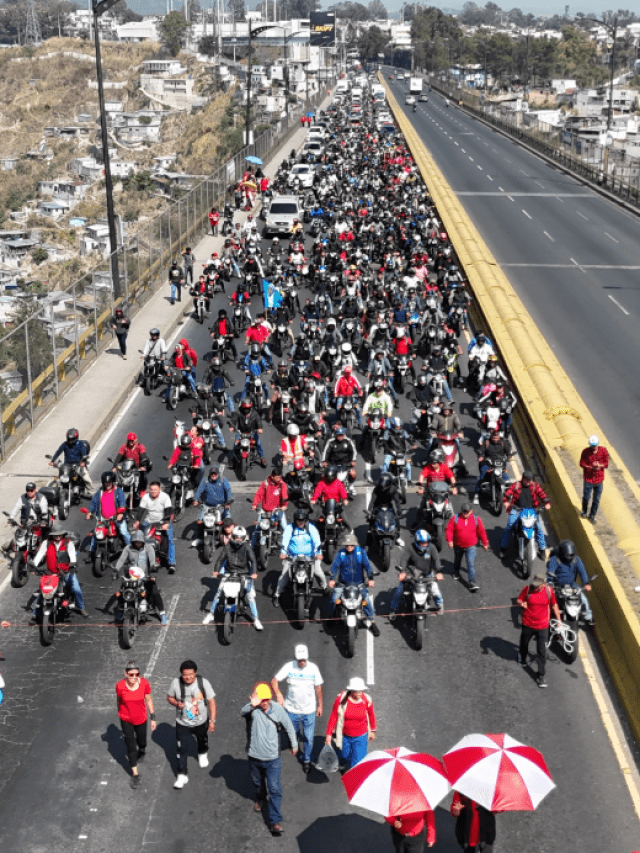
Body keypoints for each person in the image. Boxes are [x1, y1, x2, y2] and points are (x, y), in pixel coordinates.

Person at [241, 682, 298, 836]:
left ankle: (275, 821)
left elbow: (289, 726)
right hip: (254, 756)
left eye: (266, 700)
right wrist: (252, 706)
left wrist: (294, 744)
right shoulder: (253, 709)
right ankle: (260, 798)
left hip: (273, 758)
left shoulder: (277, 709)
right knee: (258, 783)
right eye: (262, 700)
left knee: (274, 788)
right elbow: (242, 711)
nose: (264, 703)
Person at [270, 644, 324, 774]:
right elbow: (274, 681)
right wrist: (278, 694)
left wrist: (320, 705)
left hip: (308, 711)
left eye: (304, 659)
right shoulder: (289, 667)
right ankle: (293, 743)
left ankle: (306, 760)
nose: (302, 662)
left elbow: (318, 688)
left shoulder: (313, 669)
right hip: (292, 710)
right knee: (292, 732)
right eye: (300, 660)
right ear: (295, 658)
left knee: (309, 738)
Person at [167, 660, 217, 789]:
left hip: (201, 721)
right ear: (181, 674)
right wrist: (177, 703)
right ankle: (182, 775)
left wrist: (212, 720)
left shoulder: (203, 683)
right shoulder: (176, 683)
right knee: (181, 749)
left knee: (202, 739)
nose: (188, 677)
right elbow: (169, 697)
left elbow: (211, 702)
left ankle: (202, 753)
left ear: (195, 673)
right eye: (185, 675)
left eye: (191, 674)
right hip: (182, 723)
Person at [202, 525, 263, 630]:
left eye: (241, 537)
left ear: (244, 538)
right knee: (218, 592)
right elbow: (221, 559)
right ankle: (211, 614)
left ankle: (256, 619)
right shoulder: (228, 546)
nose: (239, 539)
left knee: (249, 596)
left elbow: (253, 560)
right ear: (233, 536)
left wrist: (253, 573)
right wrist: (216, 570)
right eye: (237, 537)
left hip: (244, 573)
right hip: (229, 572)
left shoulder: (247, 547)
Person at [31, 521, 88, 617]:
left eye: (59, 535)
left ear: (62, 534)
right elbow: (40, 555)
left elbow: (72, 554)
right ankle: (35, 613)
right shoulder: (46, 543)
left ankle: (82, 608)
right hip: (51, 573)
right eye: (55, 535)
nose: (57, 537)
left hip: (66, 572)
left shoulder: (67, 543)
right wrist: (34, 566)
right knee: (43, 591)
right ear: (52, 535)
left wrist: (72, 566)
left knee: (76, 589)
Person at [328, 533, 380, 636]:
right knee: (334, 599)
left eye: (351, 545)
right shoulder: (341, 553)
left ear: (355, 544)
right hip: (343, 584)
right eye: (347, 545)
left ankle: (372, 622)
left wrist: (370, 579)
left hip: (359, 584)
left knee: (366, 601)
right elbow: (334, 567)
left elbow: (368, 566)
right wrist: (332, 579)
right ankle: (333, 617)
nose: (349, 547)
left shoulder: (361, 553)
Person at [115, 660, 156, 789]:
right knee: (131, 747)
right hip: (126, 720)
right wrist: (120, 712)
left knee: (141, 741)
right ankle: (135, 774)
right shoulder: (120, 686)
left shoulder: (144, 683)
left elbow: (148, 699)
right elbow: (119, 699)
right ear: (125, 673)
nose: (134, 677)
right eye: (131, 674)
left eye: (136, 674)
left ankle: (142, 750)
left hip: (141, 719)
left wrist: (153, 717)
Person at [517, 572, 562, 688]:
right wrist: (522, 604)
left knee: (541, 651)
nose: (535, 586)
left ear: (543, 584)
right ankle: (522, 658)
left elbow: (554, 605)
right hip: (528, 623)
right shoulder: (527, 589)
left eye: (538, 585)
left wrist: (559, 620)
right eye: (534, 583)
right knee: (524, 644)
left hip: (542, 626)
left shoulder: (549, 591)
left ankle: (540, 675)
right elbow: (519, 600)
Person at [273, 508, 326, 605]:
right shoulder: (290, 528)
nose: (300, 522)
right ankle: (277, 594)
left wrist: (318, 553)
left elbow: (317, 541)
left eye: (302, 521)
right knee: (283, 577)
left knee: (319, 573)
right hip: (292, 557)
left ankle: (325, 588)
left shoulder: (311, 528)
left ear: (306, 520)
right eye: (298, 520)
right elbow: (285, 541)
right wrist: (283, 552)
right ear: (295, 520)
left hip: (310, 557)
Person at [115, 531, 168, 625]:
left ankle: (162, 614)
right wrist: (115, 570)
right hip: (131, 576)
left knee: (154, 592)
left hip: (145, 576)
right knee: (121, 591)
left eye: (139, 542)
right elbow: (121, 560)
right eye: (136, 542)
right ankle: (120, 608)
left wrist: (152, 573)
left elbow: (152, 561)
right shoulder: (128, 548)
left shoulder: (149, 548)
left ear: (143, 542)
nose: (138, 544)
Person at [325, 677, 377, 770]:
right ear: (352, 691)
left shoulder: (366, 700)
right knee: (345, 755)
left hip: (361, 736)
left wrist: (373, 730)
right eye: (358, 691)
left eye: (362, 690)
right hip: (345, 736)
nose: (361, 693)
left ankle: (352, 776)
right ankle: (344, 762)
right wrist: (329, 734)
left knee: (357, 761)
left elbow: (371, 715)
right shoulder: (341, 700)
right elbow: (333, 716)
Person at [390, 530, 443, 618]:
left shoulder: (432, 548)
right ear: (417, 542)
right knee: (399, 591)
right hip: (411, 575)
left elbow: (436, 559)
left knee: (436, 591)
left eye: (426, 542)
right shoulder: (410, 548)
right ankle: (393, 610)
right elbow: (404, 559)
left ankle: (439, 606)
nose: (425, 544)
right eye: (422, 543)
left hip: (427, 575)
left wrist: (439, 572)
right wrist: (402, 572)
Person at [500, 470, 550, 560]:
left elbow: (542, 494)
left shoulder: (535, 486)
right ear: (523, 479)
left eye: (530, 480)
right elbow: (508, 493)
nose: (528, 482)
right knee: (509, 527)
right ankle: (503, 548)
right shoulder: (516, 485)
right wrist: (506, 502)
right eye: (526, 480)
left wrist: (547, 502)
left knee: (539, 529)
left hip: (531, 511)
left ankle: (542, 549)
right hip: (517, 509)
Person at [546, 540, 594, 626]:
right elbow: (550, 571)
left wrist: (586, 583)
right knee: (548, 601)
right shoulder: (554, 559)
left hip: (571, 585)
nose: (569, 557)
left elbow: (582, 572)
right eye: (567, 555)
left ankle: (588, 616)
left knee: (583, 599)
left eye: (571, 554)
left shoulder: (576, 560)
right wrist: (550, 583)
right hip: (557, 585)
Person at [86, 472, 131, 562]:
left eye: (109, 483)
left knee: (124, 532)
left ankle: (130, 553)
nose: (108, 485)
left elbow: (122, 502)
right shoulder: (100, 492)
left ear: (113, 482)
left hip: (116, 518)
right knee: (95, 535)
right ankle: (91, 554)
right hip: (102, 518)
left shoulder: (118, 491)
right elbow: (94, 503)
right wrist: (89, 512)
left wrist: (120, 513)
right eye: (106, 483)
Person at [446, 502, 489, 592]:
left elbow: (482, 532)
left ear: (471, 511)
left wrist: (485, 543)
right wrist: (449, 540)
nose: (465, 513)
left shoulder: (476, 519)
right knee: (457, 560)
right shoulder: (455, 518)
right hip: (458, 546)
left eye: (467, 512)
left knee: (470, 563)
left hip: (471, 547)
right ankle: (456, 571)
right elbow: (449, 530)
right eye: (463, 511)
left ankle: (472, 583)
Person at [135, 481, 176, 573]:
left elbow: (168, 511)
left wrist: (165, 523)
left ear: (159, 490)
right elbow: (141, 510)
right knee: (139, 538)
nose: (153, 491)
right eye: (151, 490)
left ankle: (172, 563)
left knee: (170, 540)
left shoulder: (165, 497)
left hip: (163, 520)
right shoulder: (146, 497)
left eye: (155, 490)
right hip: (149, 520)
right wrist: (137, 521)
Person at [191, 465, 233, 546]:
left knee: (228, 518)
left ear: (218, 474)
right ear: (210, 474)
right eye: (212, 474)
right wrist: (195, 500)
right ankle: (199, 538)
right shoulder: (205, 481)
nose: (213, 475)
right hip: (207, 505)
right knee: (200, 520)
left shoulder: (223, 480)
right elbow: (199, 491)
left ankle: (229, 538)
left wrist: (228, 502)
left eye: (215, 474)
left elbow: (228, 491)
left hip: (221, 505)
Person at [251, 470, 289, 548]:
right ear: (272, 476)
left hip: (277, 510)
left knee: (285, 527)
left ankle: (287, 546)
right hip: (265, 511)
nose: (279, 478)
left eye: (280, 476)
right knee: (257, 527)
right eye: (277, 476)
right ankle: (252, 545)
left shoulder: (282, 485)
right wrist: (255, 504)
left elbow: (285, 496)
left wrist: (284, 506)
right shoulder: (265, 483)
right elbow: (259, 494)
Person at [50, 427, 92, 494]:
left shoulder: (80, 444)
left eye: (72, 439)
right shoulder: (65, 444)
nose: (70, 441)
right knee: (58, 479)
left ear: (76, 438)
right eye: (69, 439)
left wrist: (83, 462)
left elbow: (84, 454)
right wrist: (52, 460)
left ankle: (92, 491)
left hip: (78, 465)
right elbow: (58, 452)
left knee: (86, 478)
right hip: (67, 465)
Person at [580, 434, 609, 525]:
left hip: (599, 479)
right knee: (586, 497)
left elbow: (606, 464)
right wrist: (590, 466)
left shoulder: (603, 451)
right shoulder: (585, 452)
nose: (593, 447)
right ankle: (584, 511)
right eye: (592, 446)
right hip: (588, 479)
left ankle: (592, 515)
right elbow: (582, 463)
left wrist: (599, 465)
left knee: (596, 499)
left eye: (595, 445)